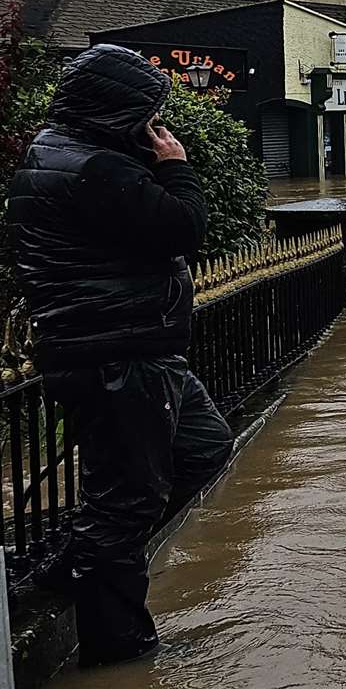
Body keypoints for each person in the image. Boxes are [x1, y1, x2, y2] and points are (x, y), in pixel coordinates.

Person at [5, 45, 234, 667]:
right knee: (125, 504)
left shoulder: (59, 152)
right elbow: (183, 227)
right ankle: (118, 651)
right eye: (147, 114)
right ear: (116, 112)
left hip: (130, 348)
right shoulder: (97, 168)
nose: (155, 127)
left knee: (204, 448)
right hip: (118, 354)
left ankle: (75, 562)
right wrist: (177, 167)